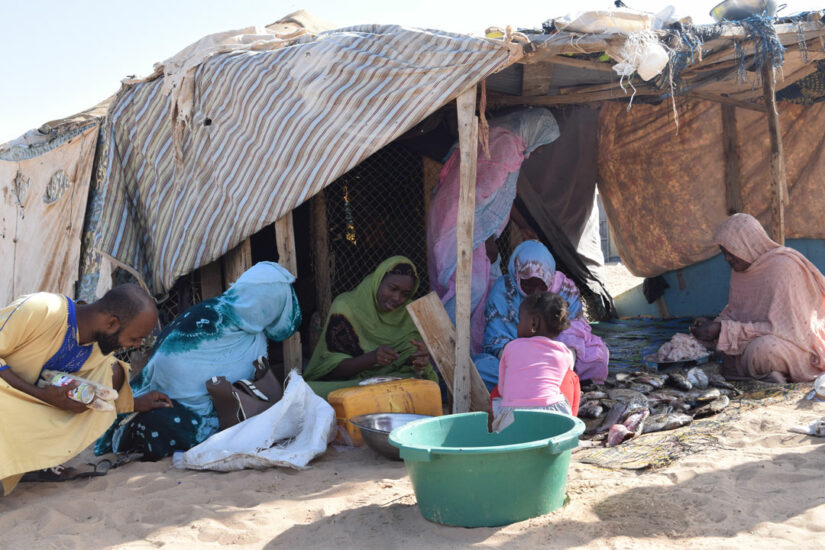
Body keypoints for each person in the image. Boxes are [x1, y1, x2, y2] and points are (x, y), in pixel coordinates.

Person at [96, 262, 301, 460]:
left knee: (157, 424)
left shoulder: (223, 316)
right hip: (161, 401)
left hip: (162, 405)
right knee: (161, 422)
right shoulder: (230, 326)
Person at [0, 284, 166, 495]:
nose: (134, 346)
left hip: (23, 415)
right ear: (112, 323)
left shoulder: (97, 351)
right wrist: (41, 395)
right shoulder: (43, 309)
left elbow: (98, 390)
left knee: (114, 374)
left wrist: (135, 403)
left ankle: (33, 464)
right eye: (134, 338)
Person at [427, 108, 559, 354]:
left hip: (473, 225)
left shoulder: (514, 147)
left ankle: (474, 352)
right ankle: (442, 352)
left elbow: (506, 193)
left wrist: (522, 225)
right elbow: (479, 196)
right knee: (471, 287)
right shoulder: (505, 144)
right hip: (461, 223)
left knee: (490, 284)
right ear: (535, 131)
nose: (541, 150)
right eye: (544, 142)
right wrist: (486, 237)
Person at [690, 213, 825, 384]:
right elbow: (736, 311)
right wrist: (712, 324)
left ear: (747, 244)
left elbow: (785, 330)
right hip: (756, 334)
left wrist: (724, 329)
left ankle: (771, 373)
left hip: (797, 344)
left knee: (761, 351)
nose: (727, 258)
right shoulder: (739, 271)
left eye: (730, 251)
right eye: (724, 252)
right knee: (700, 342)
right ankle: (768, 376)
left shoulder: (783, 268)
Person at [475, 240, 609, 389]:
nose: (536, 293)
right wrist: (524, 366)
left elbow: (574, 330)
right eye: (528, 285)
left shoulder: (564, 288)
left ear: (550, 278)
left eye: (541, 285)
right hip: (517, 362)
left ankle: (532, 385)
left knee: (598, 355)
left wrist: (564, 364)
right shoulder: (503, 291)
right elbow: (496, 340)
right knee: (480, 368)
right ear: (516, 277)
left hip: (557, 359)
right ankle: (552, 385)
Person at [304, 256, 437, 399]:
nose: (397, 298)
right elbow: (331, 370)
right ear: (378, 280)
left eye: (405, 294)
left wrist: (419, 361)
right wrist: (372, 358)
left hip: (393, 382)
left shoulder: (408, 314)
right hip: (353, 384)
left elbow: (410, 362)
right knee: (309, 392)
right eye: (393, 289)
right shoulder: (346, 306)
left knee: (425, 386)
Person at [492, 291, 577, 431]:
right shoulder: (564, 352)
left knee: (496, 391)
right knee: (571, 377)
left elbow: (502, 389)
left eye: (519, 320)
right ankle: (570, 429)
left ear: (534, 322)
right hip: (551, 422)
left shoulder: (511, 347)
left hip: (510, 425)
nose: (517, 326)